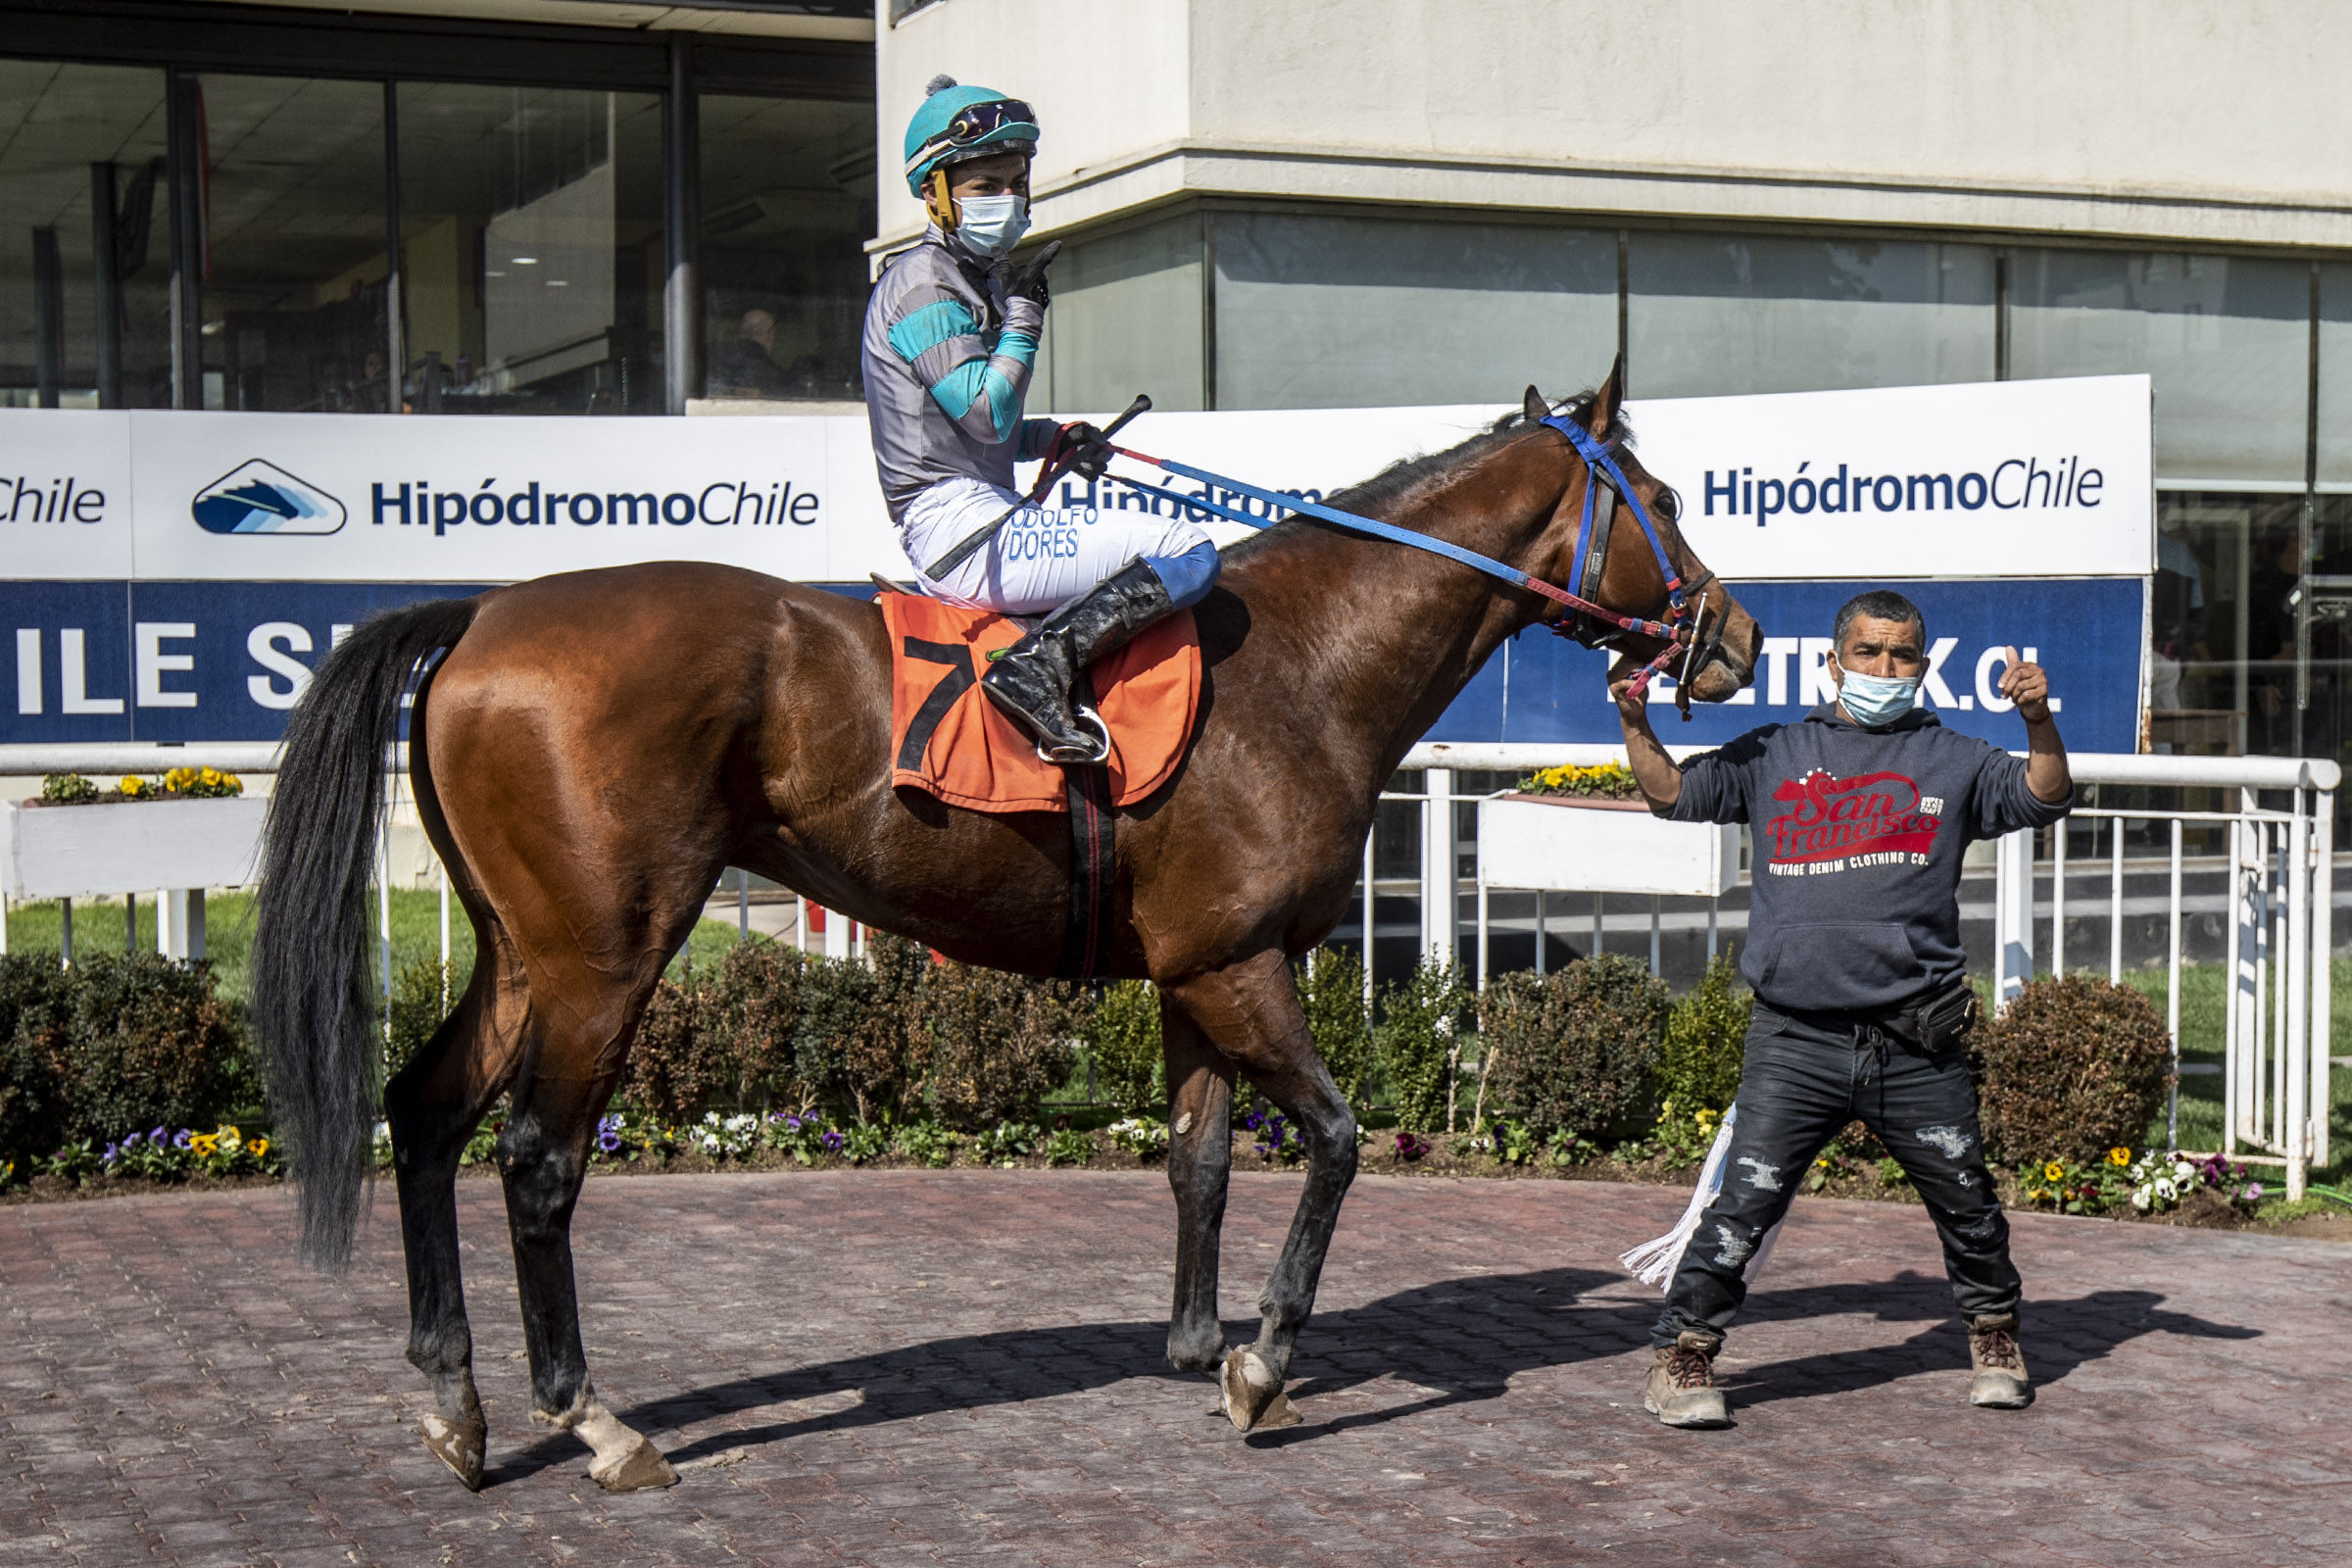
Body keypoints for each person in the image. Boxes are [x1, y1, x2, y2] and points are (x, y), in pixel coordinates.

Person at [1614, 590, 2072, 1428]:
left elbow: (2043, 795)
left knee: (1969, 1205)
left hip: (1916, 1042)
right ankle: (1684, 1357)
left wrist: (2037, 721)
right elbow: (1672, 793)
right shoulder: (1777, 752)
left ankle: (1995, 1335)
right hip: (1795, 1040)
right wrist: (1634, 719)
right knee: (1741, 1208)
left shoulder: (1956, 759)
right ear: (1834, 662)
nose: (1884, 669)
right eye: (1868, 652)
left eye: (1901, 655)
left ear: (1923, 666)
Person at [861, 75, 1219, 763]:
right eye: (985, 185)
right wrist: (1025, 321)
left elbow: (976, 428)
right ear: (935, 193)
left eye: (1017, 183)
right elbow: (986, 414)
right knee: (1188, 550)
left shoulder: (972, 280)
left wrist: (1051, 437)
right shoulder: (922, 282)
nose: (1008, 198)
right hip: (956, 527)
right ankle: (1035, 670)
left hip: (973, 507)